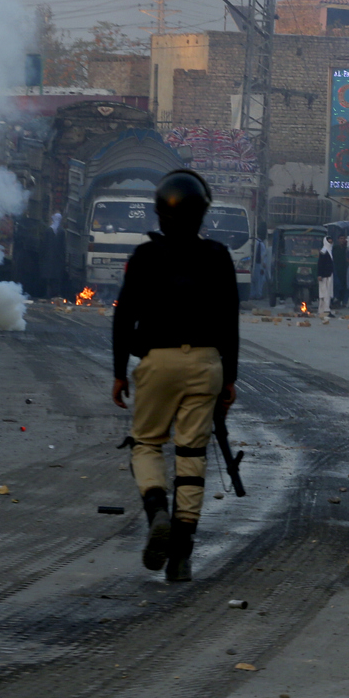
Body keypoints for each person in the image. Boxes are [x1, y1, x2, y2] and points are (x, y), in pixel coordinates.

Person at [111, 169, 238, 582]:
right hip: (205, 364)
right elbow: (230, 323)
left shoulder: (145, 257)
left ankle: (156, 510)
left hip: (157, 362)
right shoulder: (218, 256)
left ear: (159, 213)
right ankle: (181, 553)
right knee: (192, 456)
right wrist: (230, 378)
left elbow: (123, 316)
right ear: (203, 213)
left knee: (146, 443)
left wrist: (118, 373)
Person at [316, 237, 334, 316]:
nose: (330, 242)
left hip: (329, 275)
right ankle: (326, 311)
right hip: (324, 276)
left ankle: (323, 310)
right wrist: (319, 274)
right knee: (325, 294)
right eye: (329, 241)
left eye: (331, 241)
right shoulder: (323, 251)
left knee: (327, 293)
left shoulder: (330, 251)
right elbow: (320, 264)